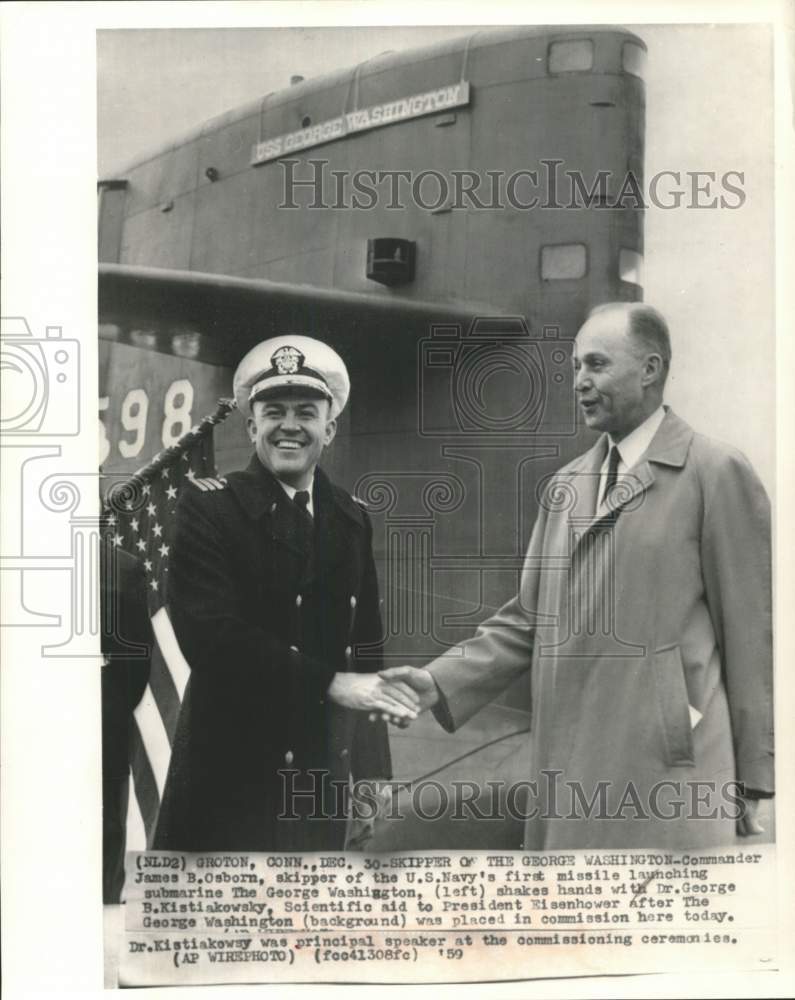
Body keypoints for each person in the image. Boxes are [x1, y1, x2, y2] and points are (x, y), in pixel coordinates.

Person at [382, 303, 773, 849]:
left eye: (596, 365)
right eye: (574, 368)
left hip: (667, 772)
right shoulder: (565, 485)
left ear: (650, 369)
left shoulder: (714, 471)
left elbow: (750, 636)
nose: (579, 383)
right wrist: (440, 680)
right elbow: (528, 618)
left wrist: (753, 777)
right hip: (567, 766)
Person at [153, 335, 418, 851]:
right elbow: (211, 638)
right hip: (231, 779)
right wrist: (332, 684)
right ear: (252, 427)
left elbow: (364, 648)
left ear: (330, 428)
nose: (290, 426)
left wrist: (370, 773)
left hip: (317, 777)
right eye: (273, 411)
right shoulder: (210, 509)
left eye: (306, 412)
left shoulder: (351, 517)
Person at [100, 541, 152, 902]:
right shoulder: (126, 567)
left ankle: (106, 890)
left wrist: (116, 703)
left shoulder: (126, 567)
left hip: (106, 700)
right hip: (108, 700)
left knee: (108, 805)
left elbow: (138, 656)